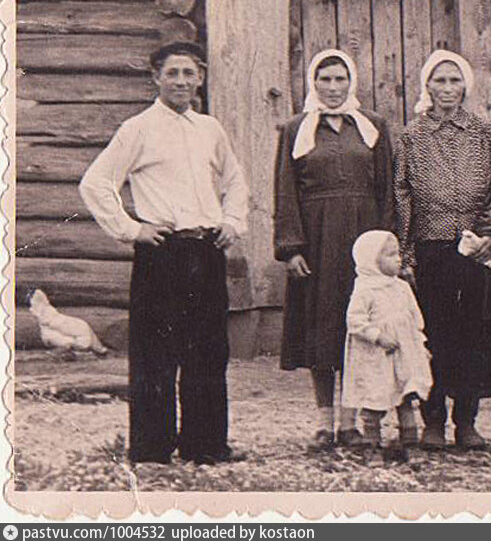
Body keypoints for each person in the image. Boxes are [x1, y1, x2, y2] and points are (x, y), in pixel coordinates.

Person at [79, 41, 248, 465]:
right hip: (162, 253)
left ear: (200, 79)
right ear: (155, 78)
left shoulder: (210, 129)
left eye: (189, 73)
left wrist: (231, 222)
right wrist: (132, 229)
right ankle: (152, 449)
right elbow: (95, 183)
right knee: (156, 353)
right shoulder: (138, 128)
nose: (180, 81)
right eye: (172, 73)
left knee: (208, 351)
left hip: (206, 250)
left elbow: (236, 182)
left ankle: (206, 446)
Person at [274, 49, 396, 451]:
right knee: (322, 327)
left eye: (339, 79)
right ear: (313, 83)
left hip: (363, 235)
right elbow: (285, 190)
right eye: (324, 79)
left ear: (352, 82)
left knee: (360, 326)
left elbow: (387, 190)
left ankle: (352, 421)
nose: (332, 87)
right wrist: (291, 248)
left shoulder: (372, 126)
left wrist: (386, 245)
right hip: (318, 236)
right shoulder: (296, 129)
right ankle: (325, 421)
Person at [394, 50, 491, 449]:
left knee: (473, 336)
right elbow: (402, 195)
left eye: (455, 80)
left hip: (476, 251)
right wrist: (407, 255)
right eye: (439, 81)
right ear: (427, 86)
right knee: (435, 335)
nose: (447, 89)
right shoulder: (411, 136)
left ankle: (467, 420)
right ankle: (433, 422)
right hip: (431, 250)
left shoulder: (484, 133)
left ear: (466, 86)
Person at [341, 230, 433, 463]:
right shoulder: (365, 289)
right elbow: (355, 322)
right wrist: (377, 336)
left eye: (397, 254)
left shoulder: (401, 288)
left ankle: (410, 443)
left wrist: (420, 345)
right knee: (375, 398)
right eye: (391, 255)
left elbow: (415, 319)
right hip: (376, 356)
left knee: (406, 397)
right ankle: (372, 445)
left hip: (403, 355)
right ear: (371, 260)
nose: (398, 259)